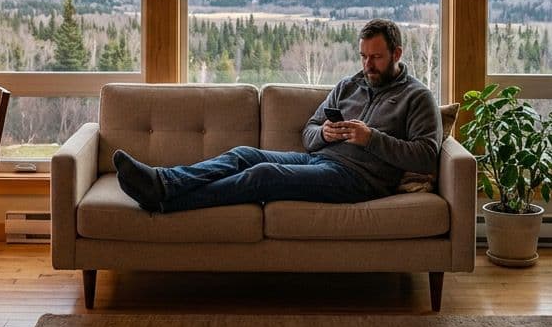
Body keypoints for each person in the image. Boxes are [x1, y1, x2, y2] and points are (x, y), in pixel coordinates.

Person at [112, 18, 441, 213]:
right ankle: (164, 182)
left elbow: (426, 156)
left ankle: (165, 200)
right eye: (363, 57)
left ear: (397, 54)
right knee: (245, 155)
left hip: (360, 181)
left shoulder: (417, 97)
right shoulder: (349, 85)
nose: (367, 66)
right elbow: (309, 132)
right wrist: (324, 134)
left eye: (377, 58)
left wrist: (371, 138)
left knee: (265, 175)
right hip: (319, 161)